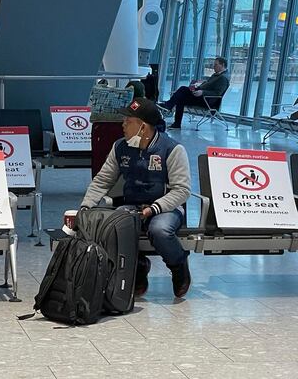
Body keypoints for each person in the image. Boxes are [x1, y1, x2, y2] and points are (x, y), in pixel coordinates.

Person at [80, 97, 192, 298]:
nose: (122, 125)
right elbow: (102, 180)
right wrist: (85, 207)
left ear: (143, 127)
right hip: (133, 205)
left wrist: (155, 208)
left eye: (128, 121)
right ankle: (139, 266)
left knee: (159, 230)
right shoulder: (120, 147)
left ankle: (178, 265)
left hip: (166, 207)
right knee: (114, 227)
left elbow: (181, 190)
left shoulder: (172, 149)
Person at [158, 57, 229, 129]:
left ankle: (168, 106)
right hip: (201, 96)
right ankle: (176, 122)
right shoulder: (216, 75)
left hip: (207, 100)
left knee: (182, 90)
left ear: (222, 65)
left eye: (216, 65)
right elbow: (208, 85)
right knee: (181, 97)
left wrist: (202, 92)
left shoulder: (223, 78)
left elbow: (217, 93)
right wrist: (198, 87)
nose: (213, 67)